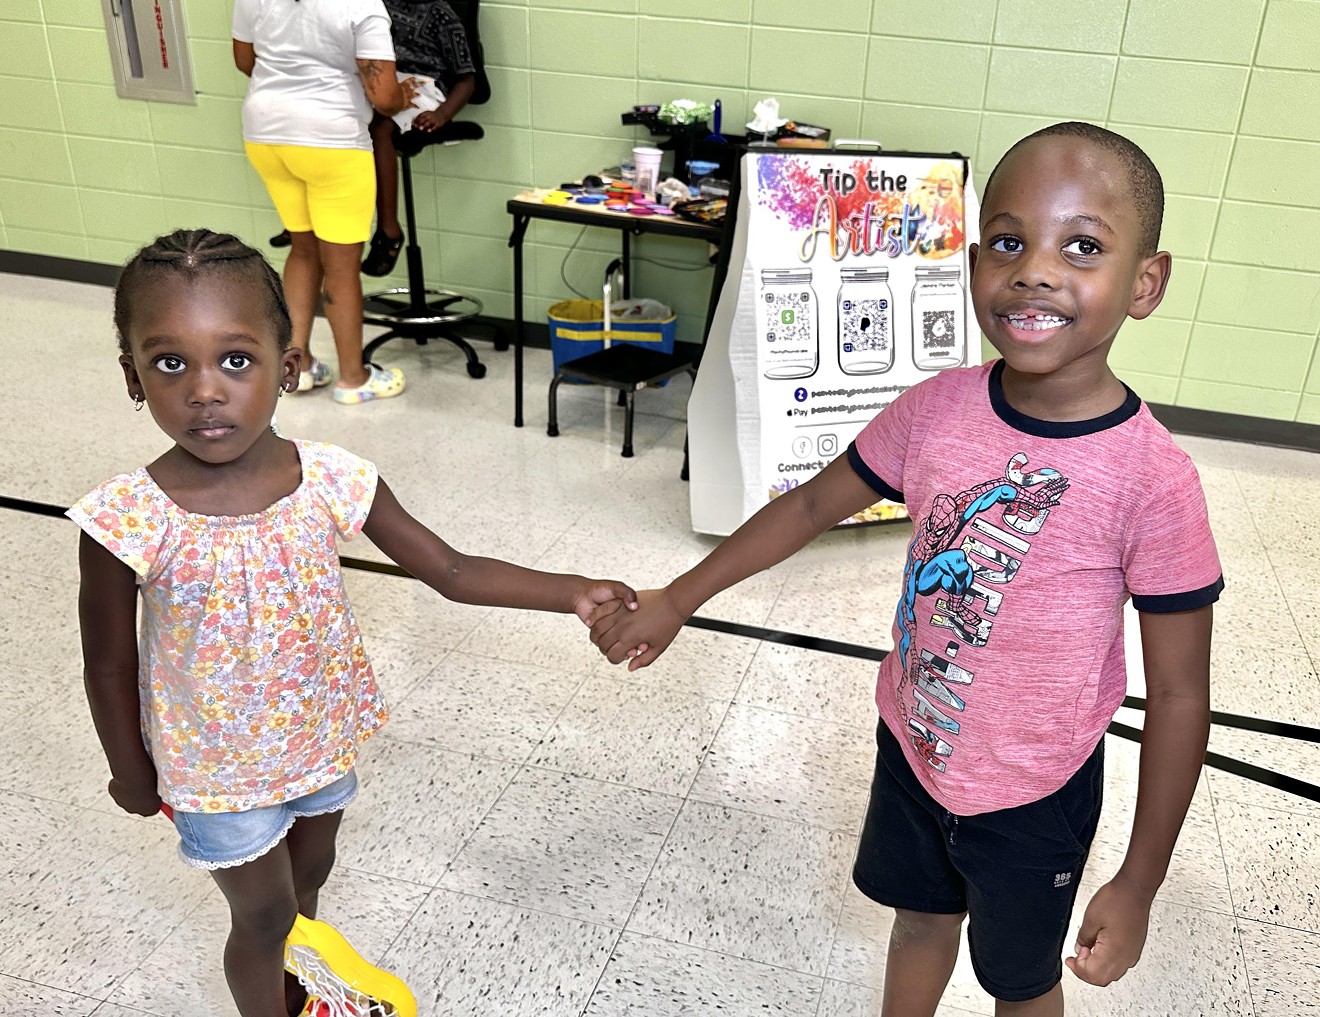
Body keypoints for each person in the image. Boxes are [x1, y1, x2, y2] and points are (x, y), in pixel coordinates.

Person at [588, 123, 1223, 1017]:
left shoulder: (1154, 480)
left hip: (1033, 793)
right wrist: (679, 597)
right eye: (1009, 241)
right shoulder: (935, 410)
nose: (1036, 269)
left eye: (1082, 246)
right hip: (914, 748)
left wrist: (1140, 880)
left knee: (1020, 978)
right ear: (972, 264)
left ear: (1145, 283)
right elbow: (811, 505)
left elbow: (1182, 695)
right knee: (919, 923)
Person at [71, 229, 638, 1017]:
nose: (205, 389)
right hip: (214, 765)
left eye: (236, 359)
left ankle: (301, 994)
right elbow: (106, 663)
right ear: (134, 375)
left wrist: (571, 589)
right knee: (262, 915)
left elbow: (452, 570)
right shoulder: (124, 517)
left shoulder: (332, 477)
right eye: (172, 362)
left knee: (306, 888)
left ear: (289, 360)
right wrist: (129, 768)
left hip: (317, 733)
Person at [232, 0, 416, 404]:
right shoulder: (362, 6)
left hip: (266, 134)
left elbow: (245, 60)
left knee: (303, 249)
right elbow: (384, 97)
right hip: (332, 143)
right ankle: (354, 377)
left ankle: (298, 368)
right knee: (342, 266)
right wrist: (403, 95)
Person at [361, 0, 478, 277]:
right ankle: (306, 224)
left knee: (380, 128)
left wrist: (443, 114)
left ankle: (388, 228)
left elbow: (467, 79)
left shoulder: (441, 15)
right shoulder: (375, 4)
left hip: (423, 86)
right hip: (381, 78)